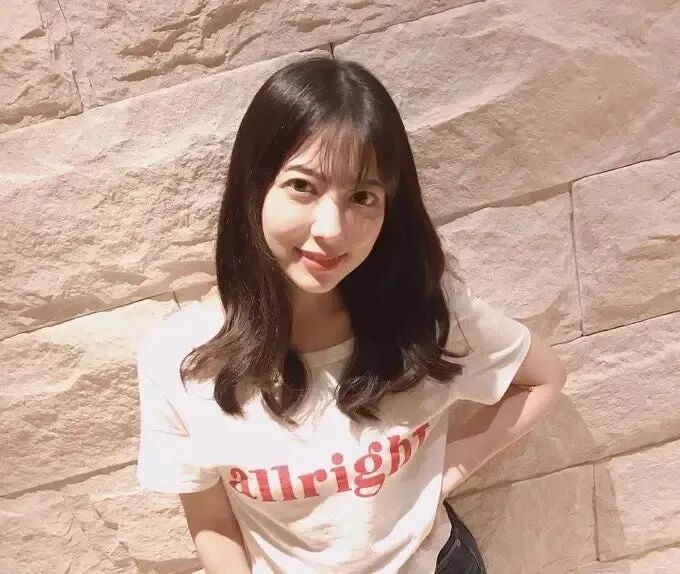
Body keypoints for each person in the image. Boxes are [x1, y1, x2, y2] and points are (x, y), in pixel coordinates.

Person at [136, 56, 567, 573]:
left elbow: (542, 378)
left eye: (362, 196)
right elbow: (211, 520)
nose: (332, 230)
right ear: (255, 185)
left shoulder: (423, 312)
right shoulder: (180, 358)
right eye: (303, 186)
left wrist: (444, 476)